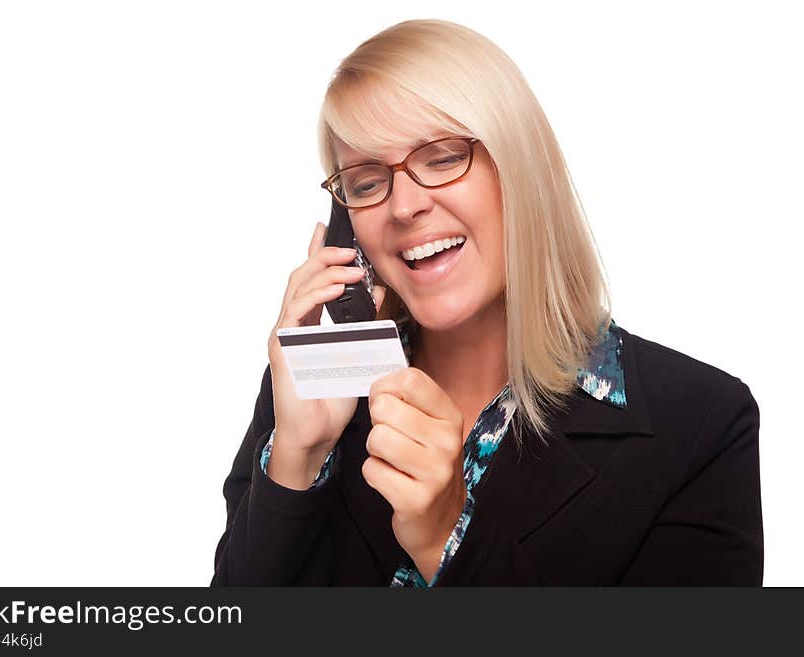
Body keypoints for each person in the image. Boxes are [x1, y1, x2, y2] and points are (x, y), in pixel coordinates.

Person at [210, 19, 763, 586]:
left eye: (443, 157)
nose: (403, 207)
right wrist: (298, 458)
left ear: (518, 171)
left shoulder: (701, 423)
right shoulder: (316, 391)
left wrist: (447, 535)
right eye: (367, 180)